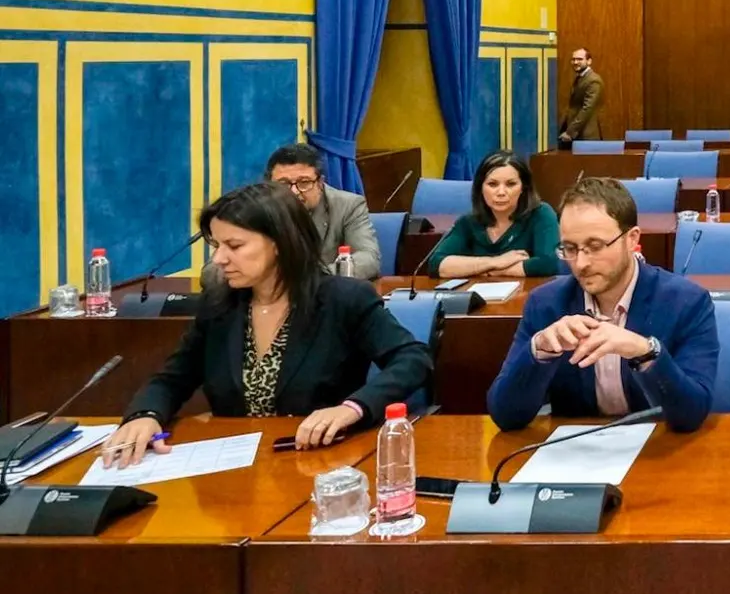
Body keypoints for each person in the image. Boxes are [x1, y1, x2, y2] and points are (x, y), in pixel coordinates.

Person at [101, 182, 431, 465]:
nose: (218, 259)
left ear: (278, 243)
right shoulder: (219, 305)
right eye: (217, 246)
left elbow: (413, 360)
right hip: (234, 469)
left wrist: (352, 408)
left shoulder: (343, 299)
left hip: (320, 461)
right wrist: (145, 414)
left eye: (234, 246)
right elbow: (171, 379)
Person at [488, 177, 717, 432]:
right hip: (577, 455)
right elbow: (506, 415)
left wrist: (645, 352)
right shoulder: (546, 305)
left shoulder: (687, 302)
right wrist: (539, 352)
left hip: (659, 452)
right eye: (570, 248)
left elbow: (691, 413)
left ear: (632, 239)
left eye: (595, 246)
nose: (581, 263)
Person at [204, 143, 380, 282]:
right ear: (268, 185)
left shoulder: (348, 205)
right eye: (284, 184)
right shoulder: (253, 210)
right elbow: (211, 274)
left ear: (320, 183)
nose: (294, 192)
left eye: (304, 182)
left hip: (324, 298)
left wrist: (301, 280)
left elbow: (369, 259)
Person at [422, 151, 560, 278]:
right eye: (492, 184)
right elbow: (436, 264)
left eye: (510, 184)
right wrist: (495, 262)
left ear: (523, 188)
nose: (501, 192)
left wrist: (494, 271)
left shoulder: (540, 214)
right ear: (480, 188)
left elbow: (547, 264)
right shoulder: (469, 222)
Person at [558, 47, 604, 147]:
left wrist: (570, 132)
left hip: (586, 136)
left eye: (579, 59)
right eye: (573, 59)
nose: (575, 62)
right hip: (578, 135)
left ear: (589, 61)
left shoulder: (593, 80)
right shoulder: (581, 77)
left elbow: (587, 109)